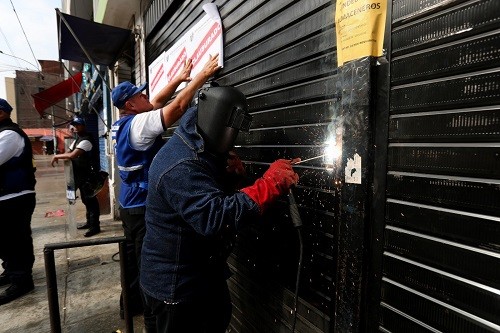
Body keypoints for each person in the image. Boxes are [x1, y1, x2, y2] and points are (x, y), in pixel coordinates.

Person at [140, 85, 300, 332]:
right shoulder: (181, 164)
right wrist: (269, 185)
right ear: (217, 123)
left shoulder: (199, 145)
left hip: (200, 276)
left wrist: (230, 178)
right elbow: (213, 217)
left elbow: (204, 194)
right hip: (177, 291)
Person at [111, 54, 221, 329]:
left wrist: (178, 79)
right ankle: (149, 317)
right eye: (139, 95)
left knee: (137, 262)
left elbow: (157, 103)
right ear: (130, 105)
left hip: (128, 204)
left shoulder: (123, 123)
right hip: (141, 207)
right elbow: (178, 107)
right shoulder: (138, 125)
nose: (146, 96)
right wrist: (203, 75)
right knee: (149, 265)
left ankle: (132, 305)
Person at [0, 98, 37, 305]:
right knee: (5, 240)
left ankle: (22, 279)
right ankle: (11, 271)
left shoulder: (9, 135)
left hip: (15, 196)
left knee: (16, 240)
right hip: (5, 196)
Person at [51, 117, 101, 237]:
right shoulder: (77, 139)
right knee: (85, 200)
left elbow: (73, 155)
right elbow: (69, 151)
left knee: (91, 201)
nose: (75, 127)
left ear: (83, 126)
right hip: (80, 176)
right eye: (73, 125)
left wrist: (57, 157)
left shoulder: (86, 140)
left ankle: (95, 226)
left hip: (88, 176)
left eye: (78, 125)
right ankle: (89, 223)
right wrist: (63, 155)